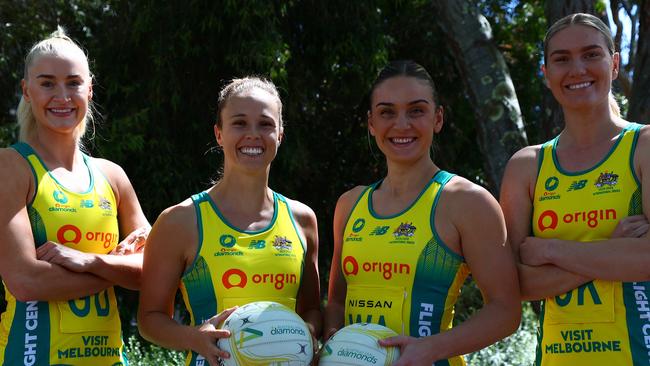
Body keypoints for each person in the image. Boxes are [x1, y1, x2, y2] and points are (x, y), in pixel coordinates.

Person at [324, 60, 521, 365]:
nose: (402, 124)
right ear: (371, 123)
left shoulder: (467, 202)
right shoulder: (350, 204)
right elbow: (336, 302)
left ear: (437, 118)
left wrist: (431, 348)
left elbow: (505, 311)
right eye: (387, 112)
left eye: (416, 110)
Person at [137, 77, 321, 366]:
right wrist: (193, 337)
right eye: (239, 123)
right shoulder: (181, 221)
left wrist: (306, 334)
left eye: (265, 124)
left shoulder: (302, 220)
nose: (253, 134)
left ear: (280, 135)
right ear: (219, 134)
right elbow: (150, 319)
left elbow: (311, 309)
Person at [500, 13, 650, 366]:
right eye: (562, 59)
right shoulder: (526, 166)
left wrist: (550, 249)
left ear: (613, 65)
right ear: (546, 73)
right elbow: (515, 285)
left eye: (591, 54)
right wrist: (615, 252)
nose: (577, 69)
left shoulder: (643, 145)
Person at [0, 28, 150, 365]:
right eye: (47, 83)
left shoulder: (112, 176)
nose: (62, 96)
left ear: (90, 89)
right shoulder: (11, 166)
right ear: (27, 90)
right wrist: (116, 265)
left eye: (73, 82)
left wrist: (91, 260)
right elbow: (26, 281)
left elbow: (154, 271)